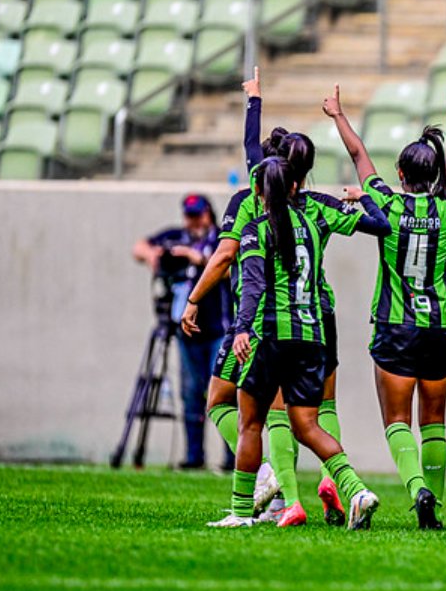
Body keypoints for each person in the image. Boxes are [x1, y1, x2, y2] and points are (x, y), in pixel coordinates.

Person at [182, 68, 347, 528]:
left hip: (262, 319)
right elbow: (372, 220)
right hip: (318, 313)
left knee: (239, 405)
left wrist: (194, 300)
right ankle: (337, 483)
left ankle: (278, 489)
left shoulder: (251, 200)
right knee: (317, 409)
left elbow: (224, 256)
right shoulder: (317, 205)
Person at [209, 148, 391, 529]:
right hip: (311, 336)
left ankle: (241, 512)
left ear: (258, 191)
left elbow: (253, 286)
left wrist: (242, 328)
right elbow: (380, 225)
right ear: (294, 186)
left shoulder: (255, 229)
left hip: (270, 336)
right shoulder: (311, 223)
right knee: (308, 425)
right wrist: (365, 198)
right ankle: (356, 491)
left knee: (250, 423)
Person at [322, 84, 446, 530]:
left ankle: (416, 487)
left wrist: (338, 114)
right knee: (435, 421)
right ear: (436, 172)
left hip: (395, 326)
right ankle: (433, 506)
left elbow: (359, 154)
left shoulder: (385, 201)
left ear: (400, 173)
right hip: (440, 326)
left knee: (397, 420)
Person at [133, 193, 227, 470]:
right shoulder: (176, 237)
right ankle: (194, 456)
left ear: (208, 214)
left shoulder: (221, 238)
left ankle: (233, 459)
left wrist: (197, 259)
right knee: (190, 393)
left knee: (223, 393)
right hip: (187, 332)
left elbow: (229, 268)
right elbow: (139, 247)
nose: (193, 221)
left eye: (197, 215)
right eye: (189, 216)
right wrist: (153, 256)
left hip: (219, 329)